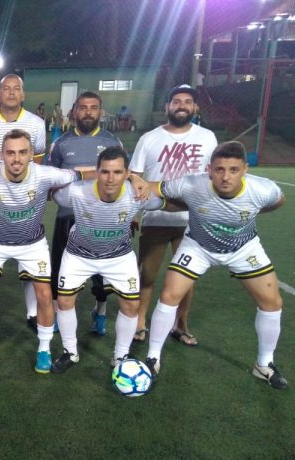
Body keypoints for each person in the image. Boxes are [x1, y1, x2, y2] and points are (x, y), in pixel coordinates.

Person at [138, 141, 287, 389]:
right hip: (198, 247)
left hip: (243, 248)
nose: (225, 176)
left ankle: (264, 364)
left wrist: (251, 212)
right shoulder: (190, 184)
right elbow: (154, 187)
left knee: (272, 302)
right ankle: (153, 358)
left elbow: (278, 201)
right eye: (219, 169)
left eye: (233, 170)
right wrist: (137, 182)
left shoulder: (263, 190)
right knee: (169, 295)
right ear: (209, 170)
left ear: (245, 169)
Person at [0, 129, 81, 374]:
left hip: (32, 244)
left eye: (23, 152)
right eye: (10, 153)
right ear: (1, 155)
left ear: (31, 154)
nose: (16, 159)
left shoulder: (45, 174)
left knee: (45, 295)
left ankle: (44, 349)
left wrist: (129, 177)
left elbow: (79, 174)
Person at [49, 147, 164, 374]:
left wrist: (141, 182)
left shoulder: (138, 193)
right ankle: (70, 352)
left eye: (118, 172)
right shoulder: (77, 192)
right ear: (97, 172)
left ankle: (120, 356)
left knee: (131, 305)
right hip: (79, 254)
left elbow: (164, 201)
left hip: (118, 256)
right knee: (64, 301)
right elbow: (52, 191)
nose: (111, 178)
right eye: (105, 172)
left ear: (127, 173)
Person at [131, 84, 217, 346]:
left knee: (186, 277)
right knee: (147, 274)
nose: (182, 106)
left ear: (195, 107)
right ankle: (140, 322)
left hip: (193, 221)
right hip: (157, 218)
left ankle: (181, 325)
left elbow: (213, 175)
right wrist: (134, 213)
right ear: (167, 106)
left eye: (187, 102)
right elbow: (134, 177)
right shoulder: (149, 138)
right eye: (176, 101)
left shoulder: (207, 138)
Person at [0, 74, 46, 332]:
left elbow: (38, 167)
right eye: (6, 88)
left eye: (16, 88)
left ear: (23, 94)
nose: (11, 92)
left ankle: (32, 313)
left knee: (30, 261)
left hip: (26, 207)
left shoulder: (36, 124)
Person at [47, 91, 123, 336]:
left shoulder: (112, 142)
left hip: (104, 217)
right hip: (68, 215)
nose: (88, 112)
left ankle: (100, 311)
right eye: (82, 107)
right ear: (74, 112)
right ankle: (58, 312)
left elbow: (124, 178)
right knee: (60, 267)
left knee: (102, 271)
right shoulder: (61, 143)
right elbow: (51, 177)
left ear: (101, 112)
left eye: (93, 107)